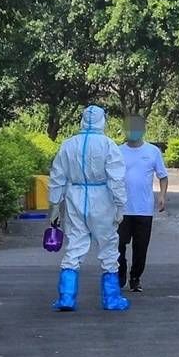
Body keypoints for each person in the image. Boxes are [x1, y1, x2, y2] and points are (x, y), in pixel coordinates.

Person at [46, 105, 130, 312]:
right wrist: (120, 206)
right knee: (109, 246)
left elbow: (57, 177)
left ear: (82, 121)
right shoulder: (108, 145)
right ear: (103, 121)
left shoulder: (68, 145)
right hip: (102, 198)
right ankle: (111, 298)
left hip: (75, 197)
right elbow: (117, 179)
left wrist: (55, 206)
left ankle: (66, 297)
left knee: (75, 244)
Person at [118, 115, 169, 292]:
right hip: (121, 208)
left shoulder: (153, 151)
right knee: (118, 245)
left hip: (143, 209)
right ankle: (120, 271)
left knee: (141, 248)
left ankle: (135, 277)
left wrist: (162, 196)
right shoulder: (117, 151)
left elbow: (162, 176)